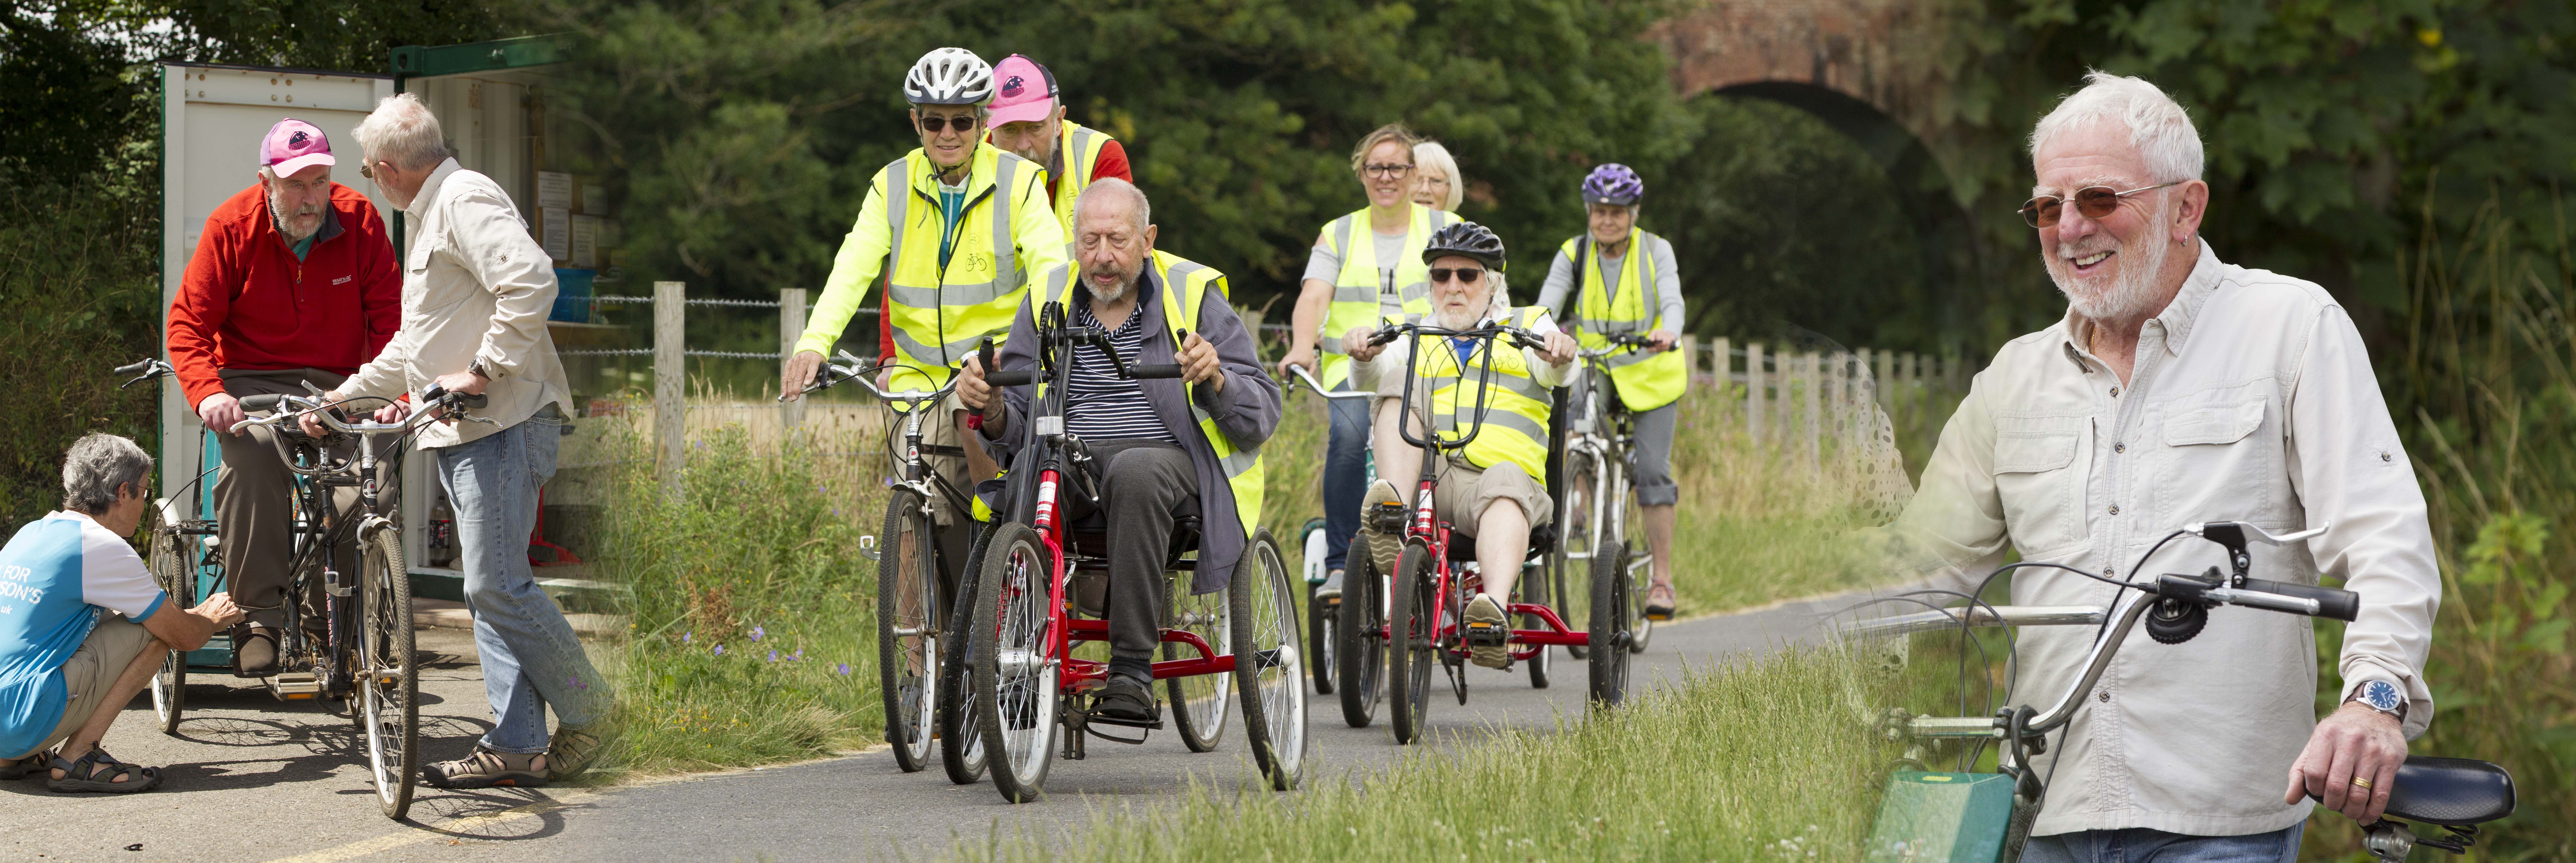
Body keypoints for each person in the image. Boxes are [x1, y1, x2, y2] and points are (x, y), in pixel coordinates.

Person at [1882, 71, 2440, 856]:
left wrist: (2371, 702)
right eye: (2048, 207)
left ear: (2186, 207)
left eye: (2099, 200)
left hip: (2216, 818)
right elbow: (1915, 571)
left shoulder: (2287, 326)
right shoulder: (2012, 377)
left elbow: (2382, 538)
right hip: (2041, 805)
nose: (2069, 227)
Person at [316, 92, 612, 789]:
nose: (368, 180)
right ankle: (517, 743)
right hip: (472, 432)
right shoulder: (437, 211)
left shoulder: (462, 201)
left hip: (501, 426)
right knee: (492, 592)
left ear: (389, 169)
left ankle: (595, 711)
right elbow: (417, 347)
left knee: (496, 585)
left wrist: (483, 370)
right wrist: (344, 395)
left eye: (366, 169)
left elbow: (532, 281)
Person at [957, 179, 1280, 722]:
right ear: (1073, 241)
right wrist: (987, 406)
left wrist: (1217, 378)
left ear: (1148, 240)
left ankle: (1132, 669)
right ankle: (1003, 667)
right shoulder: (1047, 295)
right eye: (1089, 241)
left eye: (1117, 240)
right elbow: (1012, 418)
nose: (1102, 257)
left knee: (1134, 471)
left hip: (1167, 464)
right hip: (1071, 457)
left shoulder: (1194, 294)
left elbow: (1260, 414)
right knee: (1025, 487)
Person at [781, 47, 1071, 540]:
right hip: (914, 378)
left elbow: (1051, 270)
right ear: (915, 121)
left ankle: (1005, 553)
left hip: (990, 368)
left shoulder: (1020, 183)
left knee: (982, 479)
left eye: (961, 121)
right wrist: (814, 342)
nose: (948, 134)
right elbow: (852, 266)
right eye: (934, 121)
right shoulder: (889, 185)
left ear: (982, 122)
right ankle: (919, 617)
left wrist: (1027, 344)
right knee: (913, 520)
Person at [164, 118, 400, 676]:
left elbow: (394, 323)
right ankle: (258, 618)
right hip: (252, 381)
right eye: (295, 184)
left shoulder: (360, 219)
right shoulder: (231, 226)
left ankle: (338, 619)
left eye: (319, 182)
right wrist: (209, 395)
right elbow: (187, 326)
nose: (309, 198)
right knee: (252, 460)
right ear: (266, 180)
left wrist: (399, 389)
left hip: (343, 384)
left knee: (369, 486)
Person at [1350, 222, 1576, 669]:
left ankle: (1488, 616)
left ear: (1492, 283)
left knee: (1507, 479)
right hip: (1425, 486)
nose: (1452, 286)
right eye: (1441, 275)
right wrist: (1363, 353)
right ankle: (1391, 513)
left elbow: (1559, 368)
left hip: (1495, 490)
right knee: (1397, 379)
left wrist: (1560, 352)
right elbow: (1372, 378)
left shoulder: (1526, 325)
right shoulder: (1412, 333)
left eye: (1467, 275)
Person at [0, 434, 244, 793]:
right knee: (158, 631)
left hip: (8, 721)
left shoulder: (31, 533)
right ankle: (79, 757)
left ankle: (11, 757)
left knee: (145, 617)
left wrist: (189, 615)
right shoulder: (101, 546)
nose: (145, 503)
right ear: (123, 491)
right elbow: (184, 636)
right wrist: (211, 618)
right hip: (23, 721)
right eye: (145, 493)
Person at [1281, 124, 1459, 604]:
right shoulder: (1338, 232)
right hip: (1352, 366)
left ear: (1411, 172)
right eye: (1375, 167)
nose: (1386, 177)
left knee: (1444, 447)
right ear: (1361, 173)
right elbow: (1313, 296)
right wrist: (1302, 347)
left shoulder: (1442, 226)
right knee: (1345, 439)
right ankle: (1340, 561)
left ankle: (1448, 557)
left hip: (1427, 365)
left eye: (1396, 167)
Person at [1535, 163, 1687, 620]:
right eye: (1599, 211)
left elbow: (1672, 299)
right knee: (1572, 405)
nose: (1607, 220)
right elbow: (1547, 304)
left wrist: (1669, 331)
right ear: (1588, 211)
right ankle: (1578, 496)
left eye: (1617, 212)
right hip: (1596, 363)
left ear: (1633, 213)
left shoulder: (1656, 250)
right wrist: (1537, 333)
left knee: (1653, 471)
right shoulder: (1573, 252)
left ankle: (1661, 579)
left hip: (1651, 368)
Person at [982, 53, 1134, 231]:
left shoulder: (1101, 155)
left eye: (1035, 128)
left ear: (1059, 122)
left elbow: (1120, 250)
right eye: (1009, 130)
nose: (1023, 145)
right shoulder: (968, 157)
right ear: (988, 126)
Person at [1411, 141, 1462, 212]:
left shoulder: (1459, 223)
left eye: (1436, 181)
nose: (1425, 190)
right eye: (1417, 180)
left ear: (1452, 187)